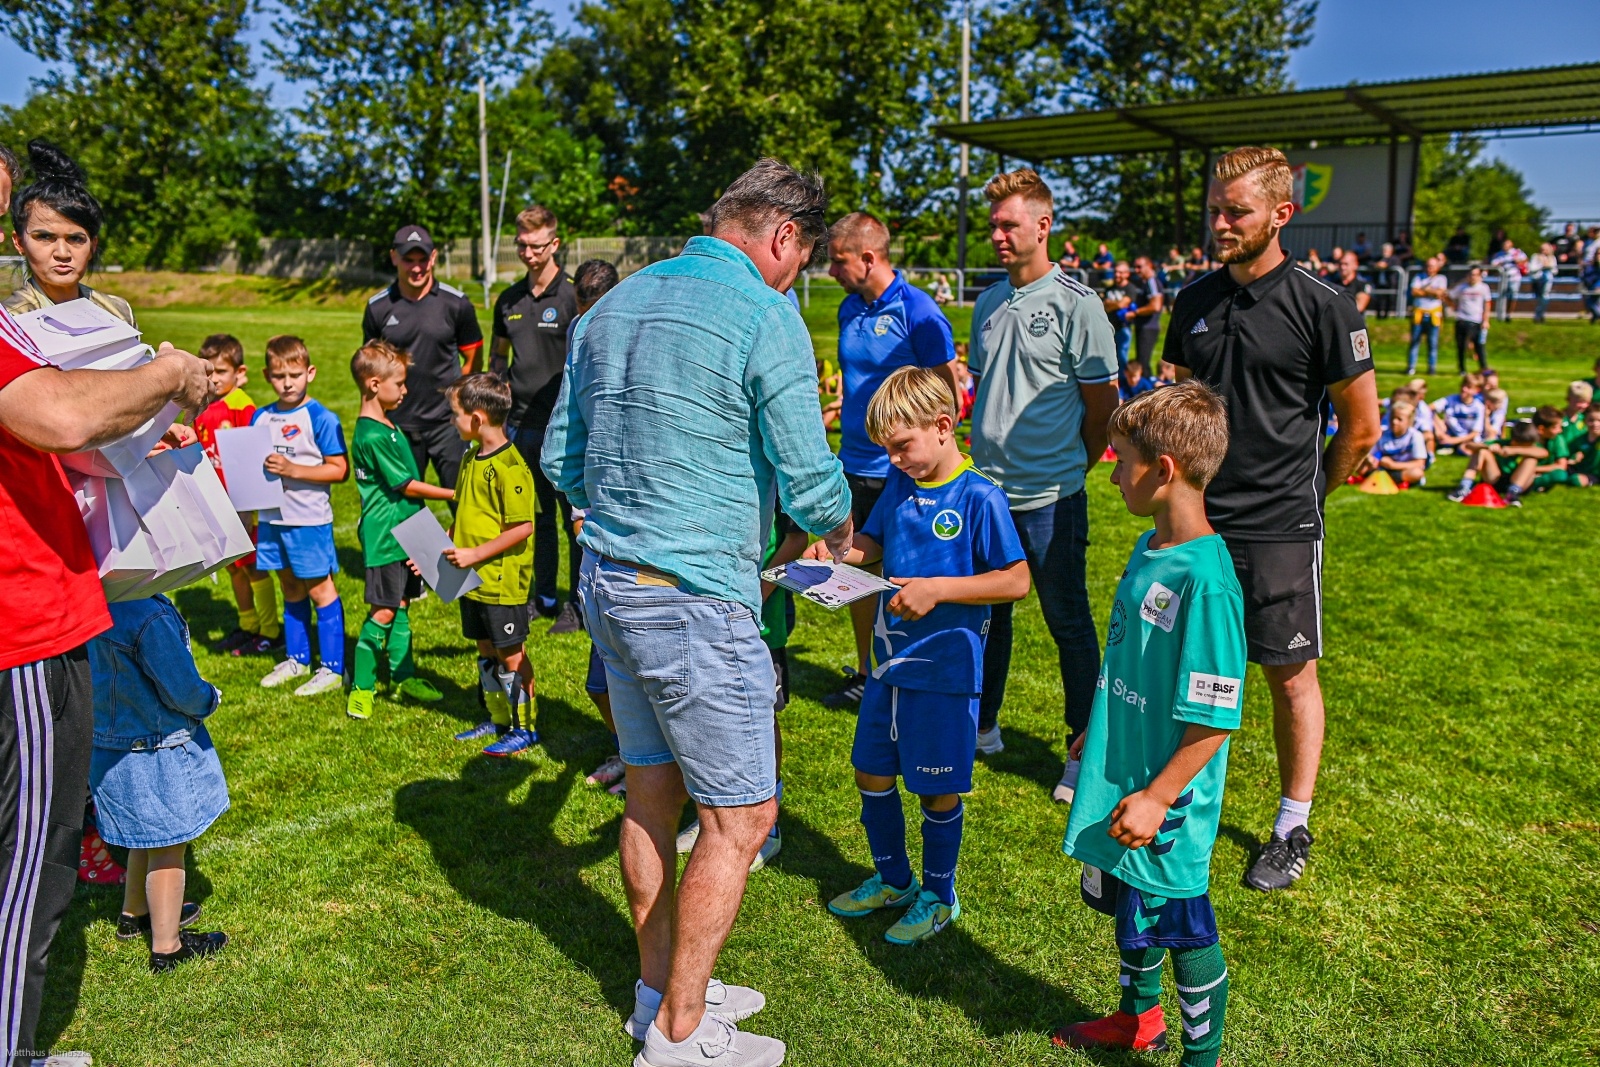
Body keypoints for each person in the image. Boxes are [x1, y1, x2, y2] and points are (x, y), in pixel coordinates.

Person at [544, 158, 850, 1067]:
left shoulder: (609, 306)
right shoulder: (767, 312)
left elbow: (563, 456)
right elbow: (809, 478)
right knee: (742, 818)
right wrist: (841, 527)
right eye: (802, 257)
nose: (798, 274)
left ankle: (659, 994)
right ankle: (679, 1038)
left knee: (649, 789)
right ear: (784, 235)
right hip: (695, 596)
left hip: (611, 581)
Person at [0, 140, 210, 1067]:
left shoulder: (96, 314)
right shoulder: (15, 325)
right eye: (30, 226)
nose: (56, 249)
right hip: (28, 614)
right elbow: (65, 418)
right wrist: (167, 375)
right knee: (28, 864)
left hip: (72, 579)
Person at [1164, 146, 1381, 892]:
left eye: (1237, 212)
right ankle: (1175, 795)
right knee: (1186, 667)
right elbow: (1176, 409)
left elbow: (1360, 427)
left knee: (1289, 676)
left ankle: (1291, 824)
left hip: (1281, 525)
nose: (1220, 223)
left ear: (1282, 215)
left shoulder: (1324, 304)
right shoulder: (1191, 301)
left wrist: (1311, 498)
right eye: (1215, 210)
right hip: (1196, 523)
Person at [1053, 382, 1242, 1066]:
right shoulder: (1148, 544)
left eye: (1121, 458)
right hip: (1122, 767)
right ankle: (1138, 1017)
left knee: (1183, 920)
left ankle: (1204, 1055)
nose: (1111, 472)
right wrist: (1098, 726)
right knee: (1128, 897)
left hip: (1168, 792)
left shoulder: (1208, 582)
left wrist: (1161, 794)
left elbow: (1215, 718)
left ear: (1163, 470)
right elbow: (1132, 652)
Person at [815, 365, 1028, 942]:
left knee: (934, 785)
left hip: (945, 671)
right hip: (889, 663)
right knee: (871, 769)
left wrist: (938, 589)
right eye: (888, 450)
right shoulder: (901, 484)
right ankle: (894, 879)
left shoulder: (979, 496)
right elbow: (874, 543)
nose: (896, 460)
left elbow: (1015, 580)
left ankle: (938, 894)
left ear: (941, 425)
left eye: (903, 446)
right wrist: (837, 554)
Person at [967, 168, 1119, 794]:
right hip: (989, 493)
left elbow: (1103, 406)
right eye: (993, 224)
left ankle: (1082, 749)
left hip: (1054, 496)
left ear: (1043, 225)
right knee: (989, 618)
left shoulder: (1078, 306)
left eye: (1009, 223)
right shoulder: (985, 302)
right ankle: (983, 728)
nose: (998, 234)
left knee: (1067, 621)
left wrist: (1075, 467)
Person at [824, 211, 957, 709]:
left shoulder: (918, 311)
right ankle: (866, 671)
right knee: (855, 569)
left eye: (838, 262)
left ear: (868, 257)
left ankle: (910, 669)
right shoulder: (847, 308)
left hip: (899, 471)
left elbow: (946, 393)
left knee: (902, 575)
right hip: (853, 463)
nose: (832, 272)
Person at [89, 594, 230, 973]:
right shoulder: (148, 614)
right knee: (169, 845)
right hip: (156, 749)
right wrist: (209, 698)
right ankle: (167, 947)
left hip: (112, 746)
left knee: (143, 835)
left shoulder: (93, 602)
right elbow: (182, 688)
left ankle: (133, 914)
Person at [346, 340, 455, 721]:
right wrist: (454, 492)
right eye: (400, 384)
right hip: (386, 535)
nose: (405, 391)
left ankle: (404, 677)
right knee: (384, 612)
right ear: (374, 384)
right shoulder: (372, 435)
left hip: (411, 528)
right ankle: (361, 687)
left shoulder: (388, 425)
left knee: (404, 605)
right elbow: (406, 485)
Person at [491, 205, 582, 629]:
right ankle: (544, 596)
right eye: (522, 246)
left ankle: (578, 604)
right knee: (538, 518)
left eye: (537, 246)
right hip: (520, 425)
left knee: (573, 519)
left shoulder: (571, 297)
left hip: (563, 428)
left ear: (555, 244)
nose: (528, 253)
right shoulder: (508, 300)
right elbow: (496, 360)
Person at [440, 374, 539, 756]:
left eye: (456, 415)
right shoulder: (469, 457)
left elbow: (523, 527)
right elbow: (467, 510)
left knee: (510, 653)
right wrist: (448, 540)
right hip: (471, 578)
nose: (453, 422)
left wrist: (475, 555)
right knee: (484, 647)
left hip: (500, 582)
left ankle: (525, 727)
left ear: (478, 419)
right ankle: (498, 718)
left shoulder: (511, 468)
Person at [253, 335, 350, 698]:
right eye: (279, 376)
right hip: (271, 519)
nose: (288, 382)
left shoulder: (320, 417)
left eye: (295, 374)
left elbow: (339, 470)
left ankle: (332, 668)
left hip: (308, 520)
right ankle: (297, 659)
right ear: (267, 375)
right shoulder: (260, 416)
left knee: (320, 589)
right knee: (289, 587)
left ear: (310, 372)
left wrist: (292, 468)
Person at [362, 224, 484, 491]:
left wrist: (457, 403)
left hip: (448, 425)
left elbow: (473, 359)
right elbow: (370, 369)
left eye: (423, 260)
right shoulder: (378, 307)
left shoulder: (456, 303)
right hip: (398, 426)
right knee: (407, 514)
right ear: (394, 257)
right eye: (408, 260)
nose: (417, 268)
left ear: (434, 257)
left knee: (464, 503)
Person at [188, 333, 283, 658]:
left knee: (253, 565)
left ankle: (271, 630)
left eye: (221, 372)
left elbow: (256, 453)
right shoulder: (202, 407)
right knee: (233, 566)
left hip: (241, 503)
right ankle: (248, 625)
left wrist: (253, 504)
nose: (214, 379)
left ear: (239, 373)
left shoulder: (242, 405)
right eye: (208, 372)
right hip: (215, 501)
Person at [3, 141, 136, 327]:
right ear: (19, 243)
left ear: (93, 245)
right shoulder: (10, 322)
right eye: (44, 237)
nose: (62, 253)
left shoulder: (118, 311)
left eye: (76, 239)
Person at [1449, 408, 1568, 505]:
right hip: (1497, 479)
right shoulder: (1503, 444)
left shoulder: (1535, 447)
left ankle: (1513, 494)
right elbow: (1468, 446)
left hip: (1519, 482)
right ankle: (1464, 487)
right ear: (1513, 440)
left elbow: (1543, 453)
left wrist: (1515, 450)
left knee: (1531, 459)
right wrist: (1487, 447)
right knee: (1481, 452)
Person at [1354, 400, 1427, 486]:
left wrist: (1393, 465)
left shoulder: (1415, 436)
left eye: (1399, 419)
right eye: (1393, 418)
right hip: (1382, 467)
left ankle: (1382, 480)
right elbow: (1369, 453)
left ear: (1409, 421)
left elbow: (1419, 463)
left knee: (1417, 473)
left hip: (1402, 469)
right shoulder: (1383, 432)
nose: (1394, 422)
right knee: (1358, 464)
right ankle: (1389, 480)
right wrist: (1371, 459)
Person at [1407, 255, 1448, 375]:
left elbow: (1441, 293)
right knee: (1414, 342)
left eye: (1432, 266)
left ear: (1437, 267)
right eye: (1428, 265)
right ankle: (1411, 367)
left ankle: (1431, 368)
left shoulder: (1441, 278)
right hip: (1419, 314)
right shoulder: (1419, 277)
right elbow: (1414, 291)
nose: (1430, 268)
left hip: (1433, 315)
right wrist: (1432, 291)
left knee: (1433, 344)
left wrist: (1424, 290)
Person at [1448, 266, 1492, 373]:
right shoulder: (1462, 287)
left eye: (1475, 275)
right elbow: (1448, 295)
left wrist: (1486, 320)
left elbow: (1487, 304)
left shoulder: (1483, 288)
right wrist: (1453, 306)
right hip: (1462, 319)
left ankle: (1483, 368)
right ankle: (1462, 369)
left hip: (1476, 321)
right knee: (1461, 346)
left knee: (1479, 346)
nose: (1473, 277)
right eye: (1471, 274)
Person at [1433, 372, 1486, 453]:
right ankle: (1449, 446)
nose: (1464, 389)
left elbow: (1475, 432)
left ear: (1477, 390)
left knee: (1465, 450)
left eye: (1468, 387)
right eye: (1463, 385)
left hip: (1468, 438)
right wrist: (1439, 429)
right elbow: (1428, 409)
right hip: (1450, 434)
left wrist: (1453, 440)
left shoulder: (1478, 407)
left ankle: (1454, 447)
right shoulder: (1451, 400)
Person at [1130, 256, 1165, 375]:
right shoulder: (1144, 282)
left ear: (1149, 266)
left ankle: (1148, 389)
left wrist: (1135, 312)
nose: (1136, 270)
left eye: (1139, 267)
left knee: (1143, 363)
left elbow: (1156, 305)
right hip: (1143, 326)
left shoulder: (1152, 281)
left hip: (1149, 327)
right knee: (1141, 361)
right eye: (1135, 267)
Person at [1102, 260, 1136, 372]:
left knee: (1121, 357)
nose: (1117, 275)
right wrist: (1116, 304)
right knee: (1108, 357)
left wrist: (1111, 304)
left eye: (1120, 272)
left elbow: (1123, 304)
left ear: (1127, 274)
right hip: (1109, 328)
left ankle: (1122, 382)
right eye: (1116, 272)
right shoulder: (1109, 289)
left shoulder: (1130, 288)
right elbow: (1104, 306)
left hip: (1123, 328)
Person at [1562, 406, 1600, 487]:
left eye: (1599, 420)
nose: (1595, 424)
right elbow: (1567, 454)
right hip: (1582, 469)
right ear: (1585, 421)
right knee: (1561, 472)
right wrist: (1572, 459)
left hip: (1596, 473)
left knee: (1576, 480)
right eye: (1591, 420)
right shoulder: (1580, 439)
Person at [1490, 238, 1525, 321]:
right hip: (1503, 278)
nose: (1505, 246)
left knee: (1513, 295)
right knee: (1502, 295)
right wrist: (1503, 262)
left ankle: (1509, 314)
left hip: (1514, 277)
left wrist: (1517, 261)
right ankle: (1500, 313)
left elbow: (1524, 260)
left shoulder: (1517, 253)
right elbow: (1493, 264)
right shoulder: (1499, 254)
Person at [1331, 251, 1371, 315]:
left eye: (1346, 264)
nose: (1342, 267)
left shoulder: (1363, 285)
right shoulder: (1333, 284)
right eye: (1340, 264)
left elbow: (1360, 307)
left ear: (1355, 265)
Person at [1528, 242, 1558, 323]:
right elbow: (1532, 268)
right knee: (1538, 298)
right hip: (1537, 279)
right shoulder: (1535, 256)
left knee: (1545, 297)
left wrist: (1549, 266)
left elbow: (1555, 270)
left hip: (1547, 280)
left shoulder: (1552, 258)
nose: (1544, 251)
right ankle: (1539, 315)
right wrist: (1542, 265)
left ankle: (1539, 315)